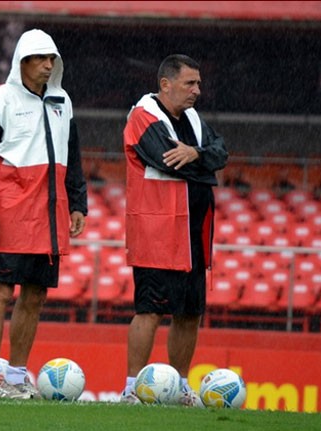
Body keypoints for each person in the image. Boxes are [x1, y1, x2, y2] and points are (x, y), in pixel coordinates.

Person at [0, 28, 87, 399]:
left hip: (51, 215)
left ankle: (17, 377)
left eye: (53, 59)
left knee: (35, 296)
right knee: (0, 291)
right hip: (11, 212)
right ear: (23, 62)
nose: (49, 65)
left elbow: (74, 156)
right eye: (41, 59)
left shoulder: (63, 101)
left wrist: (79, 202)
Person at [120, 54, 228, 406]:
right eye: (189, 83)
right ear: (165, 84)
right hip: (158, 231)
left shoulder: (194, 119)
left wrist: (196, 154)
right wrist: (204, 161)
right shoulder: (143, 116)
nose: (197, 90)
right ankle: (131, 387)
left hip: (193, 233)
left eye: (198, 83)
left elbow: (221, 152)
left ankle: (180, 386)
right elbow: (167, 159)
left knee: (190, 312)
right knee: (149, 309)